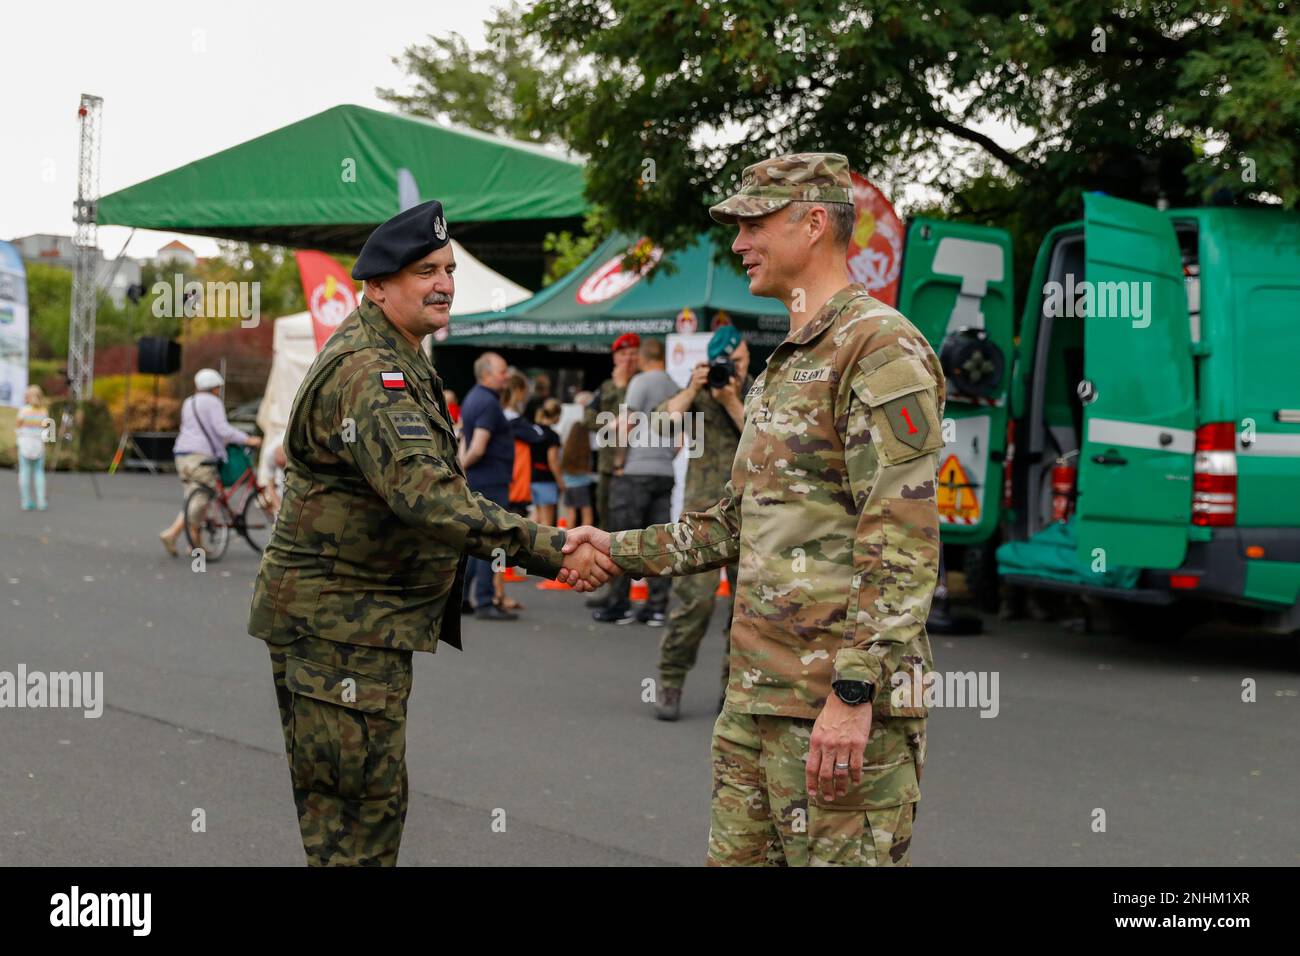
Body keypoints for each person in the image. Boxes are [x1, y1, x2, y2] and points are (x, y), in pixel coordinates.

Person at [564, 153, 943, 867]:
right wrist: (616, 548)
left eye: (752, 223)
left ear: (813, 223)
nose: (738, 243)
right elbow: (739, 520)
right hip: (757, 701)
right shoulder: (781, 364)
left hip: (835, 707)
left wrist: (855, 691)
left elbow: (901, 536)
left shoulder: (878, 346)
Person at [246, 200, 614, 867]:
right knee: (354, 827)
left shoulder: (401, 355)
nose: (444, 282)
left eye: (447, 269)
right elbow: (431, 500)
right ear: (378, 285)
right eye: (425, 271)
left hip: (360, 626)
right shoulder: (371, 372)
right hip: (339, 630)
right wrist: (556, 547)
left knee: (374, 805)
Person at [650, 326, 752, 719]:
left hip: (750, 516)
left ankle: (733, 695)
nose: (736, 369)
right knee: (694, 602)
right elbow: (661, 427)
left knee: (746, 611)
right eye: (729, 362)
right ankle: (671, 682)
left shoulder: (758, 390)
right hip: (703, 518)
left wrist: (731, 401)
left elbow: (768, 442)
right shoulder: (698, 394)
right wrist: (694, 389)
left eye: (740, 360)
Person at [593, 337, 680, 627]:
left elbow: (625, 424)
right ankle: (656, 607)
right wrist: (665, 456)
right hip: (664, 472)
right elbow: (682, 438)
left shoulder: (641, 382)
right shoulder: (675, 387)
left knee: (623, 539)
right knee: (658, 541)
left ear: (642, 358)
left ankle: (620, 604)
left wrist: (619, 463)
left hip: (635, 472)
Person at [160, 368, 261, 556]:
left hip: (181, 454)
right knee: (203, 497)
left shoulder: (188, 402)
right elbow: (222, 429)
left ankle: (194, 544)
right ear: (214, 387)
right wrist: (247, 439)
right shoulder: (213, 403)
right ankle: (174, 534)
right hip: (201, 456)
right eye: (218, 387)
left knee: (193, 495)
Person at [456, 351, 519, 620]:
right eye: (502, 371)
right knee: (494, 542)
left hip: (481, 480)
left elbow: (463, 438)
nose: (507, 376)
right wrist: (466, 465)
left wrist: (461, 469)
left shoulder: (473, 398)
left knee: (475, 542)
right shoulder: (488, 404)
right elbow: (478, 446)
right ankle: (484, 600)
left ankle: (462, 597)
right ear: (487, 375)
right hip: (490, 481)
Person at [582, 333, 640, 608]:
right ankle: (609, 588)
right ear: (615, 357)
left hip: (636, 467)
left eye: (633, 354)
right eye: (623, 354)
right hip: (608, 468)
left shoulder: (642, 383)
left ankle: (624, 594)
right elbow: (588, 418)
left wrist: (620, 390)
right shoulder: (605, 386)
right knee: (607, 529)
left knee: (629, 532)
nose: (628, 359)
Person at [559, 402, 597, 530]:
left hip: (568, 486)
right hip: (582, 486)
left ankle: (569, 539)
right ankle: (585, 538)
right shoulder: (586, 451)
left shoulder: (566, 449)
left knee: (571, 514)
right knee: (587, 515)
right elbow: (589, 469)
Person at [529, 399, 565, 529]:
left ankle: (524, 545)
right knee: (546, 523)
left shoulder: (533, 431)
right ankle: (542, 549)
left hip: (532, 477)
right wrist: (561, 481)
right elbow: (553, 460)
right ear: (556, 416)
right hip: (546, 480)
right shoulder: (552, 436)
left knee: (536, 516)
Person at [15, 385, 49, 511]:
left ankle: (26, 501)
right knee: (39, 472)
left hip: (25, 443)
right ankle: (41, 501)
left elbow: (18, 427)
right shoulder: (44, 411)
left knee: (24, 472)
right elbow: (47, 431)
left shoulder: (23, 411)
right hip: (38, 444)